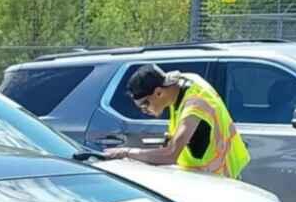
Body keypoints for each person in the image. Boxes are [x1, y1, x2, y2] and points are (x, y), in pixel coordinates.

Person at [104, 63, 251, 180]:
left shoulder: (195, 104)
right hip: (202, 176)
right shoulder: (181, 84)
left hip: (219, 178)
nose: (144, 110)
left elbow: (170, 155)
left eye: (145, 104)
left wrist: (127, 152)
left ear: (158, 92)